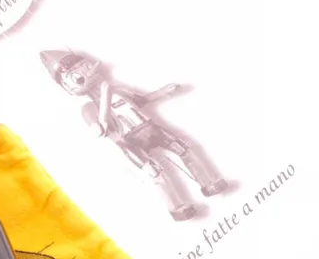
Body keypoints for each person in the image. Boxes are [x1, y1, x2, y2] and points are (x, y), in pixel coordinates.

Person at [41, 50, 228, 221]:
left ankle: (209, 183)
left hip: (150, 128)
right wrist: (105, 96)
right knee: (155, 172)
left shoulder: (118, 90)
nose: (87, 72)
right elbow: (100, 130)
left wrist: (162, 92)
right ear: (68, 86)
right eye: (77, 74)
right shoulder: (88, 108)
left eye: (86, 66)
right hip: (129, 142)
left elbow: (142, 100)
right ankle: (177, 208)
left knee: (184, 150)